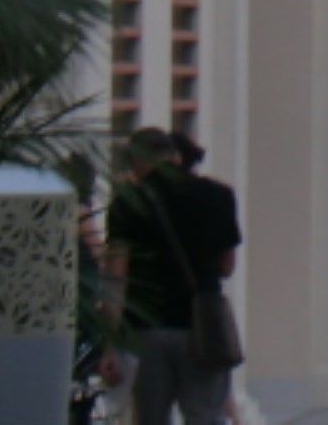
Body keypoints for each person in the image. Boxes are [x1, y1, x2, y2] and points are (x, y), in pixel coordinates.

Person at [102, 128, 243, 425]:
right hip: (202, 327)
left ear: (137, 162)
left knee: (151, 418)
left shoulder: (127, 204)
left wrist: (109, 344)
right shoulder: (219, 196)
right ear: (175, 157)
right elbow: (227, 266)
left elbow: (117, 279)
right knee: (205, 416)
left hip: (147, 330)